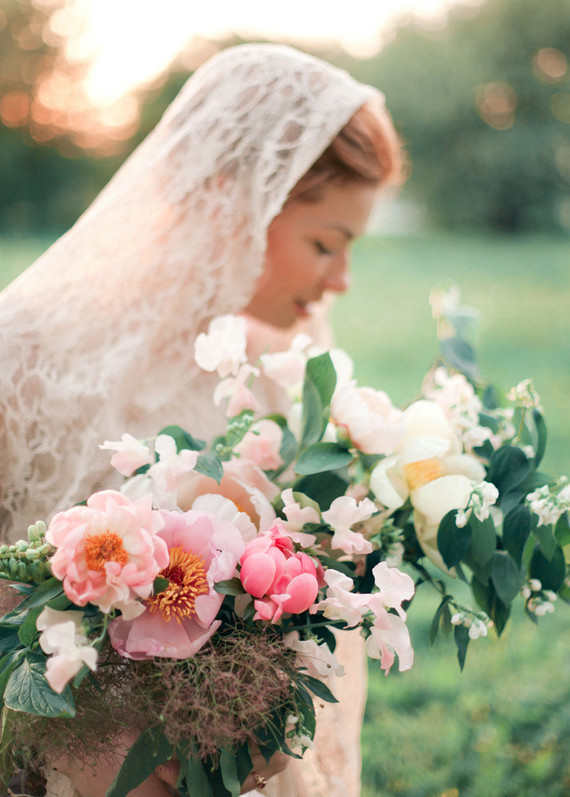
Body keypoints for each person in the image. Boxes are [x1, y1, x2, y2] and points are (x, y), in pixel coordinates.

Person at [0, 43, 403, 796]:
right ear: (234, 199)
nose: (339, 282)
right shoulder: (21, 359)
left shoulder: (278, 380)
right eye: (325, 243)